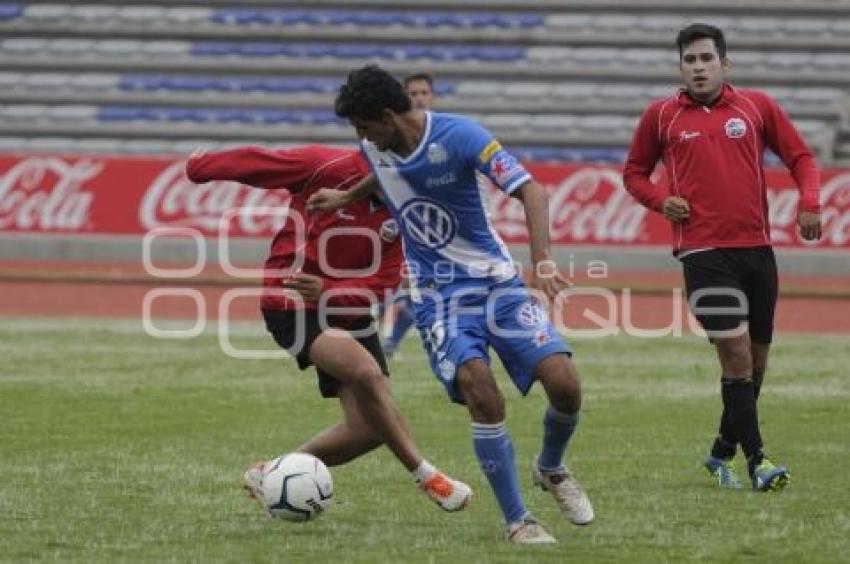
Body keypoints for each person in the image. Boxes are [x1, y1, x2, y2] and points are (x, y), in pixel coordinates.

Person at [308, 65, 594, 544]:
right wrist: (346, 196)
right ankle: (518, 520)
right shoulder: (376, 147)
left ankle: (551, 467)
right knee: (479, 387)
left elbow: (532, 189)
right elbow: (382, 176)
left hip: (498, 283)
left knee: (565, 385)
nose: (359, 138)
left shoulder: (460, 135)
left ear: (386, 116)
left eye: (362, 126)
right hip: (439, 296)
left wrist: (542, 261)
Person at [185, 144, 472, 512]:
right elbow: (259, 163)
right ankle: (428, 477)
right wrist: (201, 166)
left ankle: (271, 471)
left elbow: (386, 282)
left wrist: (332, 291)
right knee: (367, 373)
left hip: (345, 307)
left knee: (369, 429)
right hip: (292, 301)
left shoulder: (407, 210)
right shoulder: (326, 165)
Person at [623, 23, 822, 492]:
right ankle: (759, 462)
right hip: (703, 251)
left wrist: (810, 203)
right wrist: (659, 201)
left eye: (706, 59)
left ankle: (719, 454)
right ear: (681, 67)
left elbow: (802, 157)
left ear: (724, 64)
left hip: (757, 249)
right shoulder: (661, 116)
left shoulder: (756, 107)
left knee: (755, 364)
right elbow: (634, 173)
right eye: (689, 60)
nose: (698, 67)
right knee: (734, 356)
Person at [383, 72, 438, 358]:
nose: (419, 98)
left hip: (433, 228)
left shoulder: (445, 136)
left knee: (420, 287)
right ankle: (382, 341)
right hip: (396, 222)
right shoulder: (388, 138)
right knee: (388, 283)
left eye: (424, 93)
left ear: (433, 97)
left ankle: (390, 342)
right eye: (413, 93)